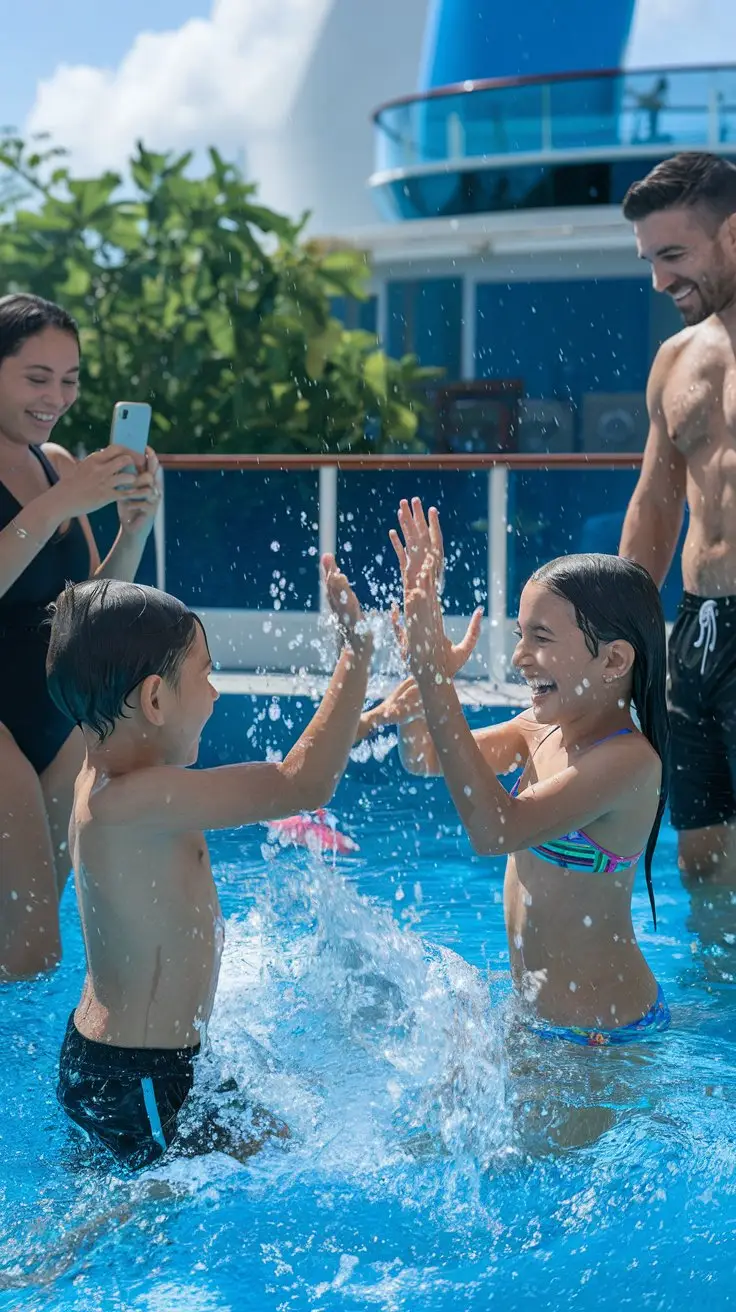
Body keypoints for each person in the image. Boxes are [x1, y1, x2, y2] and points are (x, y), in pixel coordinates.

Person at [47, 559, 371, 1171]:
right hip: (141, 1078)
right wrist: (356, 656)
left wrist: (366, 718)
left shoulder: (121, 780)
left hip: (134, 1061)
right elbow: (301, 785)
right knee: (145, 1206)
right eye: (206, 674)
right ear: (153, 698)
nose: (217, 692)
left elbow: (286, 776)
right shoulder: (133, 802)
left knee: (281, 1149)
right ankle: (41, 1265)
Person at [363, 498, 671, 1047]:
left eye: (541, 639)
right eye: (520, 635)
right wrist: (423, 683)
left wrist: (437, 679)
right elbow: (428, 760)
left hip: (602, 1039)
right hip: (538, 1025)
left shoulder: (628, 762)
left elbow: (495, 829)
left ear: (614, 661)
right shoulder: (540, 727)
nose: (519, 658)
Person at [0, 292, 160, 979]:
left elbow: (87, 604)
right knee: (34, 948)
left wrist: (134, 526)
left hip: (55, 718)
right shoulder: (60, 485)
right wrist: (62, 502)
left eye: (70, 380)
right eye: (37, 378)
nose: (56, 398)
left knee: (29, 957)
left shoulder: (58, 463)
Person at [618, 152, 736, 882]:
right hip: (698, 633)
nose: (659, 279)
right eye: (649, 259)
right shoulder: (675, 359)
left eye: (673, 254)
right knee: (702, 859)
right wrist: (611, 639)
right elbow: (656, 504)